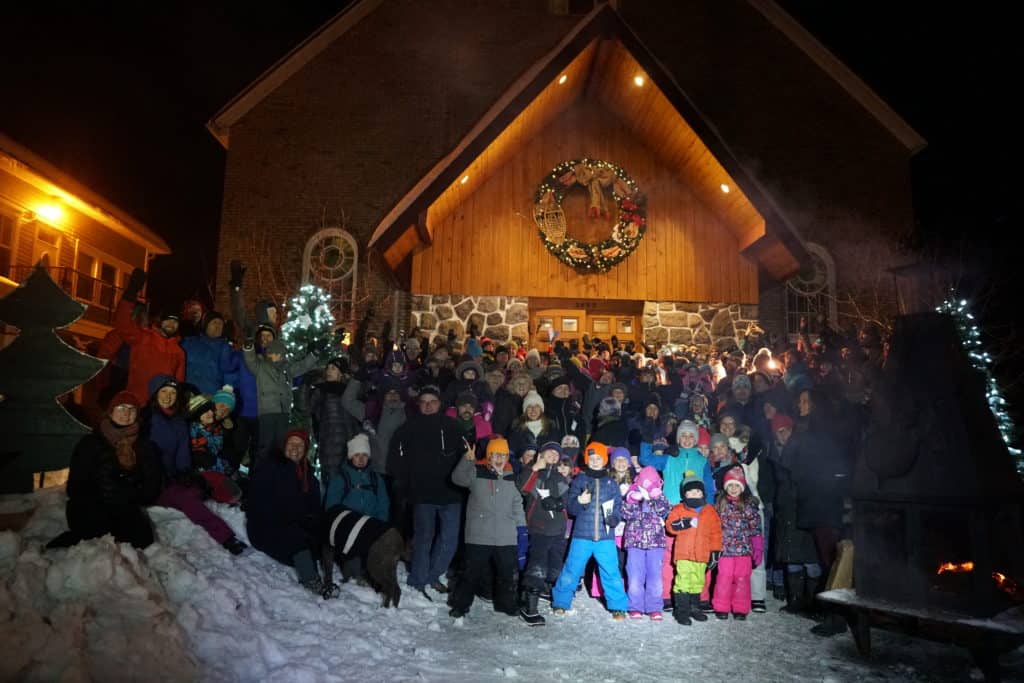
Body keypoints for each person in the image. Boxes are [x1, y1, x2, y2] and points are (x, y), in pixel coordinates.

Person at [48, 391, 163, 550]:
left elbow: (151, 488)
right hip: (91, 506)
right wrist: (105, 488)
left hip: (125, 507)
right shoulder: (90, 443)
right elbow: (75, 487)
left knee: (142, 541)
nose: (126, 413)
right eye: (121, 407)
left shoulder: (144, 447)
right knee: (96, 541)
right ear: (111, 412)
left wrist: (131, 481)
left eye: (132, 409)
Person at [389, 385, 467, 598]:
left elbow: (466, 456)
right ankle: (418, 579)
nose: (428, 405)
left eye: (432, 401)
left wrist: (464, 483)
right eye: (424, 402)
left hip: (451, 493)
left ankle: (433, 574)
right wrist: (405, 485)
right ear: (418, 405)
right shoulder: (407, 429)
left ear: (440, 404)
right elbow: (397, 461)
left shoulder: (453, 426)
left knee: (449, 539)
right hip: (422, 494)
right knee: (423, 538)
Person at [447, 437, 525, 619]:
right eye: (495, 455)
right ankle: (460, 604)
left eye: (503, 455)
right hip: (478, 535)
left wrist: (522, 529)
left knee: (507, 573)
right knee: (470, 573)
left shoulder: (512, 477)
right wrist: (467, 459)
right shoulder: (476, 472)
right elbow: (457, 478)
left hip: (506, 536)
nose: (499, 459)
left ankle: (507, 604)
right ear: (489, 456)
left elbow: (517, 505)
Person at [550, 442, 629, 620]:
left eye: (598, 458)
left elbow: (617, 507)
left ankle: (618, 606)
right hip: (581, 536)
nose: (594, 461)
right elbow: (571, 508)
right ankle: (561, 602)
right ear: (586, 460)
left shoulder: (611, 483)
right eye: (591, 458)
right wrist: (580, 501)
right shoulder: (580, 480)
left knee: (611, 571)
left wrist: (614, 519)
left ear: (604, 460)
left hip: (605, 537)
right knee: (572, 569)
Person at [247, 429, 325, 593]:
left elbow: (314, 508)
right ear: (284, 445)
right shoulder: (270, 467)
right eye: (291, 443)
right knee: (297, 538)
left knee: (318, 540)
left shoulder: (309, 476)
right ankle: (311, 581)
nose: (295, 448)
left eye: (300, 445)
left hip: (295, 526)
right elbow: (259, 502)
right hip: (267, 527)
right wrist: (292, 521)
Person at [516, 441, 571, 626]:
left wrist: (560, 503)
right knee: (536, 567)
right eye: (549, 453)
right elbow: (522, 487)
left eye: (556, 455)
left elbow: (567, 498)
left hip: (558, 530)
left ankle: (547, 591)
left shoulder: (559, 477)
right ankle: (529, 606)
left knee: (555, 565)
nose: (553, 457)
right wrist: (534, 467)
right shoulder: (535, 473)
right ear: (541, 455)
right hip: (539, 528)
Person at [113, 268, 185, 404]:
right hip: (137, 404)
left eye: (175, 321)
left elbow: (178, 382)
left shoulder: (179, 352)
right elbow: (122, 323)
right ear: (160, 321)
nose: (171, 324)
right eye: (168, 319)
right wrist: (131, 292)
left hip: (161, 407)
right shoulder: (142, 338)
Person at [243, 338, 319, 464]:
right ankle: (261, 470)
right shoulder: (261, 367)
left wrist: (314, 354)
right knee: (266, 444)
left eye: (282, 354)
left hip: (284, 412)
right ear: (271, 353)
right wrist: (248, 347)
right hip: (267, 412)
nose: (281, 357)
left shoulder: (286, 369)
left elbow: (302, 366)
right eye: (278, 354)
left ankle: (279, 469)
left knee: (281, 444)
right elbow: (250, 360)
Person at [665, 475, 722, 625]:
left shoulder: (710, 511)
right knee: (683, 582)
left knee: (698, 581)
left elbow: (716, 533)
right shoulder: (679, 509)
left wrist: (715, 552)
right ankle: (681, 611)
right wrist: (682, 523)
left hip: (702, 555)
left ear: (703, 493)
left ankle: (694, 608)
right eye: (690, 492)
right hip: (684, 554)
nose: (694, 495)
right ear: (684, 494)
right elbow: (670, 525)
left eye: (698, 491)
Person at [622, 466, 672, 620]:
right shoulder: (632, 494)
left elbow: (666, 511)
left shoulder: (659, 496)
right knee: (635, 575)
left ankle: (654, 607)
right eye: (646, 481)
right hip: (634, 542)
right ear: (639, 481)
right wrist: (631, 500)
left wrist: (657, 496)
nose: (648, 485)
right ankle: (635, 606)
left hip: (655, 543)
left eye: (652, 482)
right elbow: (624, 514)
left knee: (655, 576)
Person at [712, 467, 763, 620]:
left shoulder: (748, 506)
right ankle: (721, 607)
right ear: (726, 486)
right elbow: (714, 526)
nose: (733, 489)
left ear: (742, 487)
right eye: (730, 485)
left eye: (737, 486)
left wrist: (757, 546)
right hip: (725, 550)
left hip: (743, 551)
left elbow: (755, 527)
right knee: (724, 577)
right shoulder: (720, 505)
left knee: (742, 578)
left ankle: (740, 608)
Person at [310, 356, 357, 484]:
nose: (329, 371)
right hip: (330, 444)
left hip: (351, 443)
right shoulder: (321, 390)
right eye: (328, 368)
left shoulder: (350, 391)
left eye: (333, 368)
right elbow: (308, 409)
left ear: (341, 373)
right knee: (332, 483)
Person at [322, 433, 389, 522]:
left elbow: (383, 504)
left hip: (372, 525)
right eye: (357, 455)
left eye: (364, 455)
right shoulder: (340, 479)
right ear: (351, 457)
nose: (361, 459)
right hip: (347, 526)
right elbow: (332, 507)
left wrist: (380, 524)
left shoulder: (376, 479)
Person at [181, 310, 237, 395]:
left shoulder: (225, 348)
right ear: (205, 325)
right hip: (188, 396)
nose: (218, 326)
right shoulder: (189, 343)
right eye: (214, 322)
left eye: (220, 323)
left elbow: (229, 374)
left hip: (211, 396)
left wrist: (226, 396)